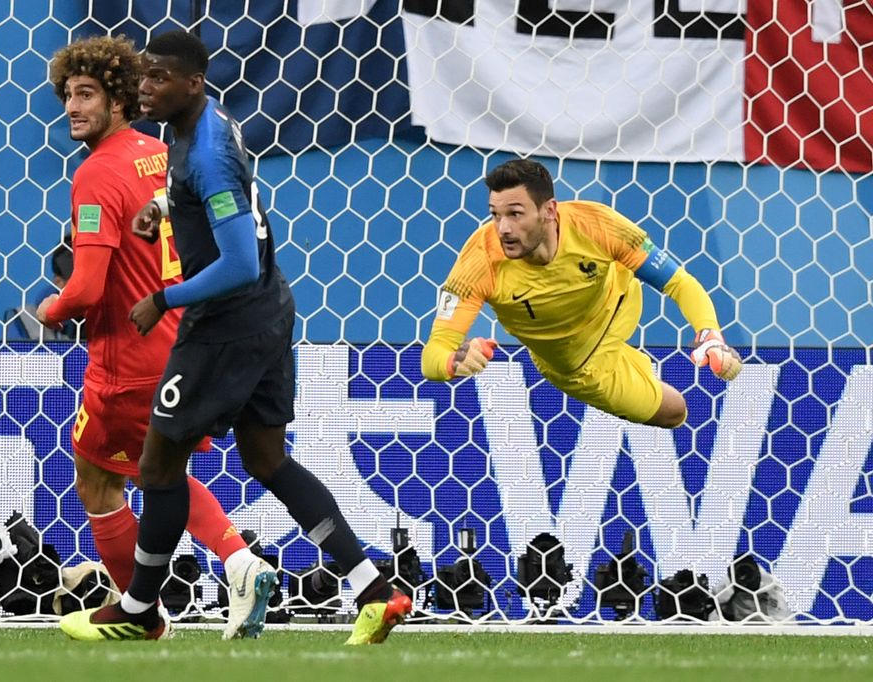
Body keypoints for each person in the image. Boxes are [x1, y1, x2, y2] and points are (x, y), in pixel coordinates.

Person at [59, 29, 411, 645]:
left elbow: (239, 261)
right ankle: (375, 591)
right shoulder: (196, 129)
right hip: (271, 313)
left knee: (158, 463)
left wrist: (164, 297)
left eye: (158, 78)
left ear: (193, 83)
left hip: (225, 324)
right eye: (142, 77)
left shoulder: (203, 154)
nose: (144, 89)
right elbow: (220, 198)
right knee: (266, 459)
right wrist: (164, 206)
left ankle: (140, 609)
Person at [37, 34, 277, 640]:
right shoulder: (160, 151)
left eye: (87, 94)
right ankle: (234, 563)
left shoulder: (95, 174)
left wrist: (52, 306)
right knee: (155, 469)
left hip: (125, 355)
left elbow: (87, 287)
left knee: (100, 476)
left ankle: (147, 613)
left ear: (120, 100)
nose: (73, 106)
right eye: (68, 94)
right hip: (176, 342)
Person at [421, 158, 742, 427]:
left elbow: (678, 282)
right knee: (675, 413)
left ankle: (635, 364)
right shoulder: (479, 262)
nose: (503, 228)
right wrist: (451, 362)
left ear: (549, 210)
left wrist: (710, 336)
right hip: (579, 362)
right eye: (495, 214)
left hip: (620, 301)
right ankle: (632, 370)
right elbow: (432, 354)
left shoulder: (597, 224)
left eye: (515, 214)